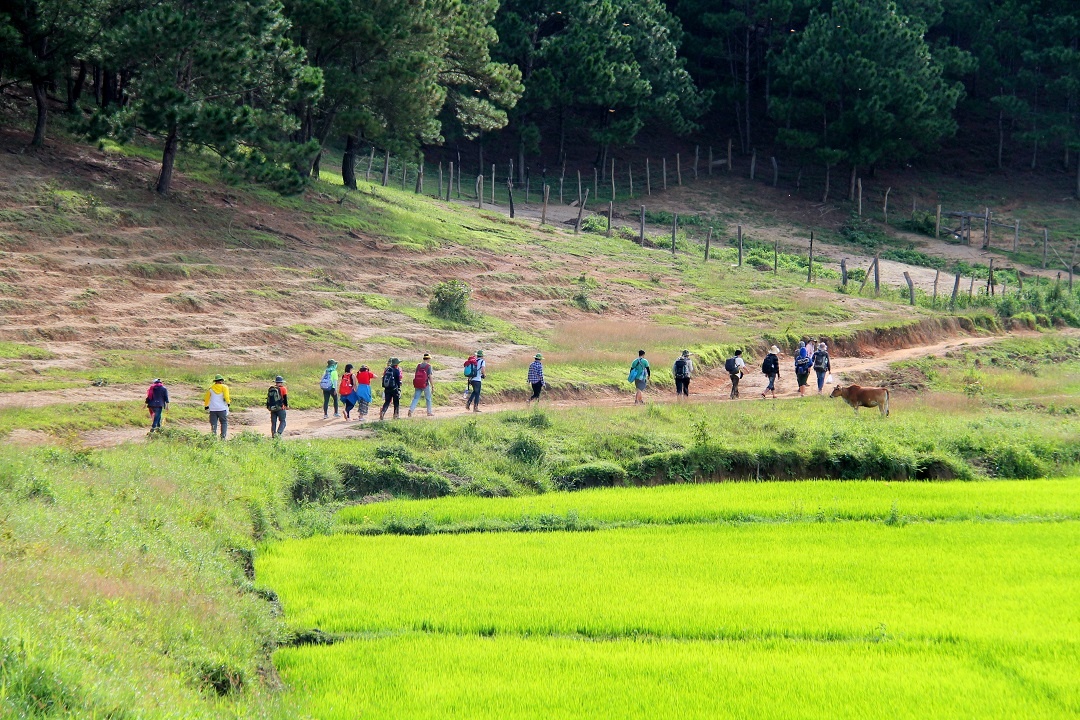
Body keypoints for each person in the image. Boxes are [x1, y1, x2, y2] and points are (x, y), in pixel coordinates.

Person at [203, 374, 231, 439]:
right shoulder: (224, 387)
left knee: (213, 424)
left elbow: (207, 398)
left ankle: (213, 437)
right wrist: (228, 402)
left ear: (215, 381)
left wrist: (206, 406)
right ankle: (223, 437)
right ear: (221, 381)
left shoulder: (211, 388)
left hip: (212, 409)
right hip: (222, 409)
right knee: (224, 422)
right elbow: (226, 396)